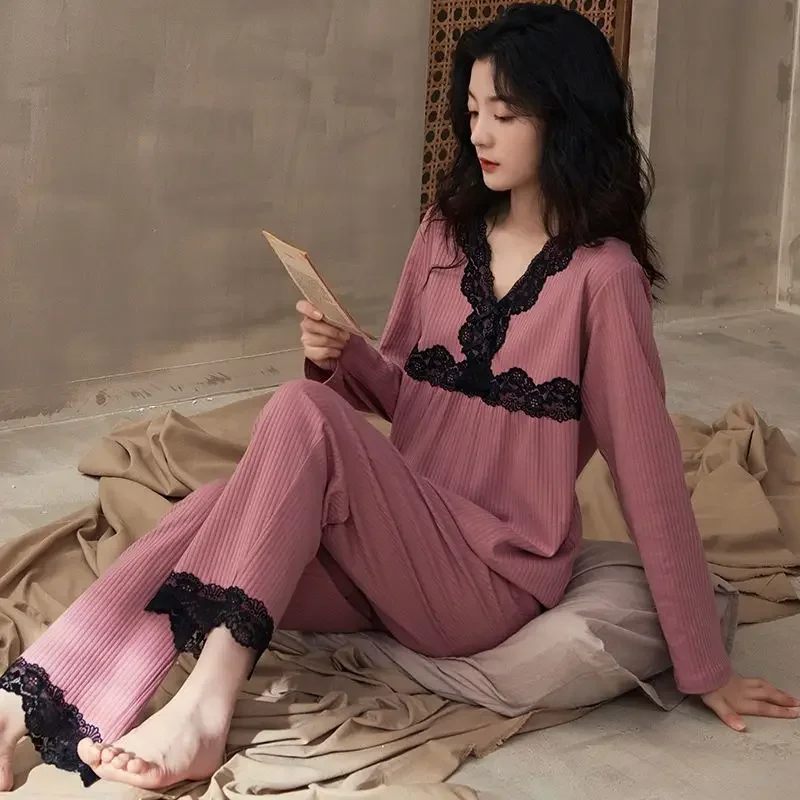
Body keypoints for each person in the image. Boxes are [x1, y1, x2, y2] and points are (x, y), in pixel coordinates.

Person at [1, 2, 797, 792]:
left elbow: (649, 476)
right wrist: (344, 356)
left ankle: (206, 709)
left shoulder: (604, 278)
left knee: (300, 414)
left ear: (567, 119)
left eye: (505, 114)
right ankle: (22, 707)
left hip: (488, 584)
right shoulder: (445, 234)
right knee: (213, 509)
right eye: (473, 112)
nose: (479, 134)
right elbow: (408, 395)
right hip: (392, 550)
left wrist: (707, 668)